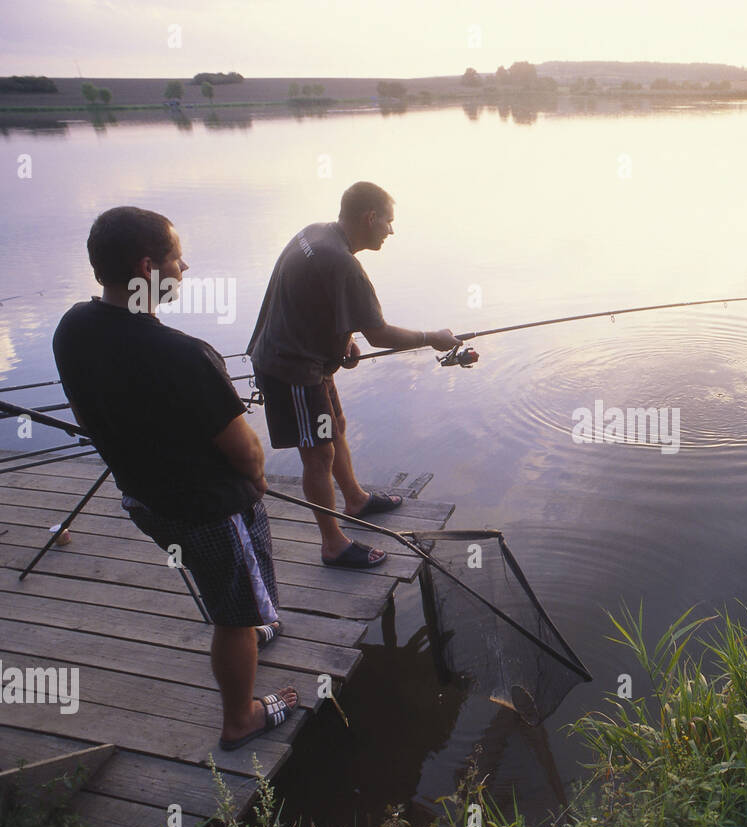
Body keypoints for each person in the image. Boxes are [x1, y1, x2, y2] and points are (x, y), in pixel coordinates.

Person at [53, 205, 297, 751]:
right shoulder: (186, 356)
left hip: (143, 501)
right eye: (176, 258)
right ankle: (242, 716)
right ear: (147, 267)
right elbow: (248, 452)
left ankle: (251, 623)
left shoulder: (73, 327)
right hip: (211, 510)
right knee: (234, 614)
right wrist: (255, 485)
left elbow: (87, 417)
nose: (184, 267)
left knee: (220, 585)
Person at [247, 181, 458, 569]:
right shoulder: (344, 264)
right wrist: (434, 338)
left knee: (336, 426)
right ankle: (333, 543)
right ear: (370, 218)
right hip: (290, 366)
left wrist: (341, 338)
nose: (391, 231)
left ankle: (355, 499)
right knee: (317, 452)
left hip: (308, 355)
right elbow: (379, 335)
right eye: (388, 223)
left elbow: (310, 295)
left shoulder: (315, 233)